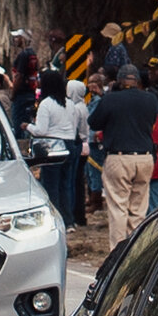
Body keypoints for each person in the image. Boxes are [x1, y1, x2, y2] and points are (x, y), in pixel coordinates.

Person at [87, 65, 158, 248]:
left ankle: (117, 255)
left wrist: (109, 95)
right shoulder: (151, 99)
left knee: (118, 207)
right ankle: (136, 251)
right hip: (144, 157)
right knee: (138, 209)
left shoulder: (111, 100)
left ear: (118, 80)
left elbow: (93, 122)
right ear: (137, 81)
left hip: (119, 156)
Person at [28, 70, 76, 221]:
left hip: (53, 146)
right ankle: (69, 220)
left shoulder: (46, 104)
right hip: (69, 145)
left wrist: (27, 126)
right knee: (66, 185)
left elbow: (40, 130)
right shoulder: (70, 103)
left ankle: (55, 218)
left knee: (51, 185)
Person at [64, 78, 91, 226]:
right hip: (85, 145)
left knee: (74, 181)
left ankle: (74, 213)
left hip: (78, 145)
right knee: (79, 182)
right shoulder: (83, 106)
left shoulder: (76, 109)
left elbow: (73, 129)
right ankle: (79, 214)